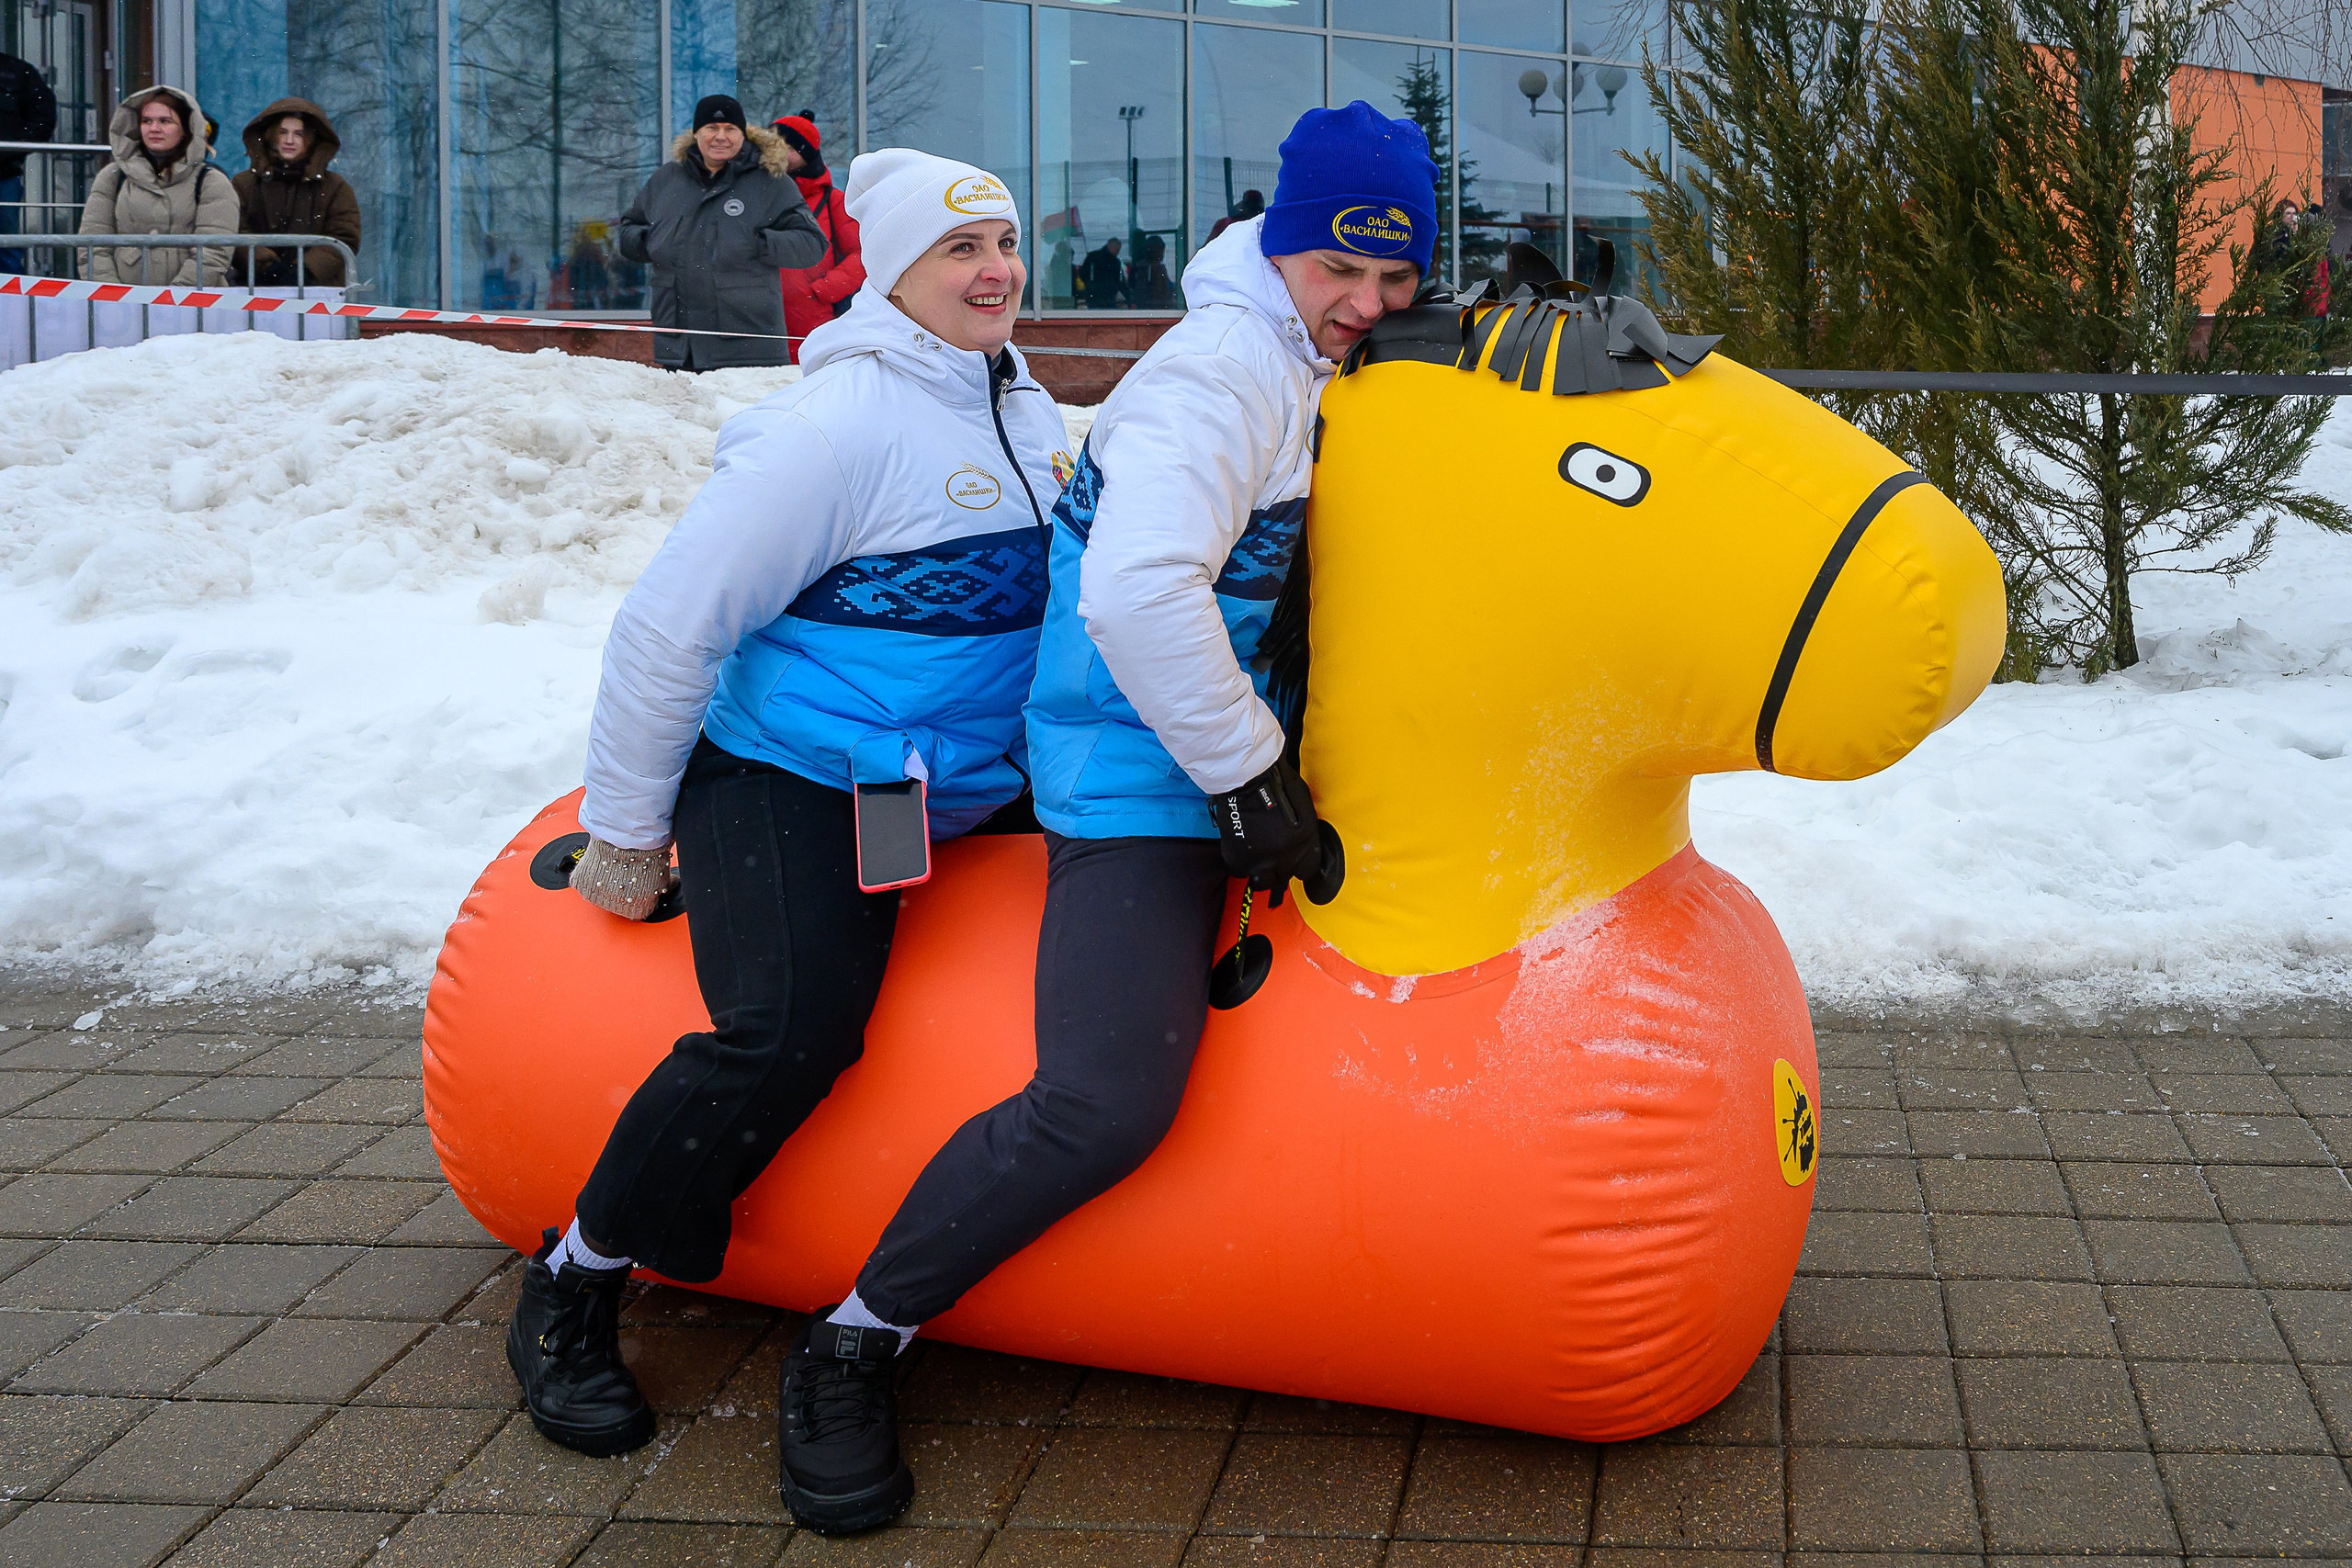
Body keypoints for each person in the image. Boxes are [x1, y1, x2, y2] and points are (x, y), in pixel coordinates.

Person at [749, 100, 1438, 1535]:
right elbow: (1135, 594)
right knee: (1105, 1098)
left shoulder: (1300, 349)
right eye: (1340, 271)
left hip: (1213, 743)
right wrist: (1246, 776)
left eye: (1395, 279)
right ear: (1285, 244)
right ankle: (855, 1335)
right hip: (1135, 771)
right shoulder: (1222, 377)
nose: (1365, 307)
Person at [503, 149, 1067, 1531]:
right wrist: (627, 836)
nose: (995, 268)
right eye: (959, 250)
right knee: (792, 1027)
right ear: (888, 270)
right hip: (793, 771)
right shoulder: (830, 432)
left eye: (1002, 239)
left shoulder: (1029, 402)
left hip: (967, 780)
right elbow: (668, 627)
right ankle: (574, 1279)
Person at [617, 95, 825, 371]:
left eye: (730, 129)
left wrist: (757, 243)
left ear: (743, 134)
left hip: (749, 347)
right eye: (711, 128)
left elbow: (812, 244)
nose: (721, 137)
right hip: (679, 347)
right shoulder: (667, 179)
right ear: (696, 134)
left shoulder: (771, 182)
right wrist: (650, 241)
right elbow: (628, 232)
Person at [78, 85, 237, 287]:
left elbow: (214, 251)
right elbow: (93, 246)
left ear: (186, 128)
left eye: (165, 121)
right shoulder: (112, 176)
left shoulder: (211, 181)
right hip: (123, 306)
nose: (154, 129)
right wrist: (111, 294)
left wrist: (175, 298)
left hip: (192, 307)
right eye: (147, 121)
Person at [232, 97, 361, 288]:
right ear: (270, 135)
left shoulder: (334, 187)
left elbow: (343, 237)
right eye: (282, 132)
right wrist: (265, 266)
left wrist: (305, 271)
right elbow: (234, 231)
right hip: (254, 289)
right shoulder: (244, 183)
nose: (289, 140)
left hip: (318, 291)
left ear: (310, 139)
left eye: (299, 134)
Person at [770, 112, 865, 362]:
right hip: (762, 319)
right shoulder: (757, 195)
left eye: (787, 147)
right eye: (773, 146)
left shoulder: (833, 201)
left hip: (815, 321)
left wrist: (823, 290)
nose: (778, 153)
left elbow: (863, 254)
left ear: (806, 154)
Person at [1, 51, 56, 276]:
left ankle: (11, 309)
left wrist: (11, 149)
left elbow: (42, 118)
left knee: (6, 249)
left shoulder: (16, 72)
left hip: (3, 177)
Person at [1127, 232, 1176, 308]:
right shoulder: (1148, 269)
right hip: (1154, 309)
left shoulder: (1139, 267)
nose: (1162, 253)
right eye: (1161, 250)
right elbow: (1159, 292)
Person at [1080, 235, 1125, 307]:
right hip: (1108, 296)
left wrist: (1089, 285)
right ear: (1111, 247)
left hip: (1093, 295)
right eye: (1117, 250)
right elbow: (1120, 280)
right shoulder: (1115, 262)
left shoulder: (1092, 257)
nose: (1118, 252)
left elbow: (1083, 272)